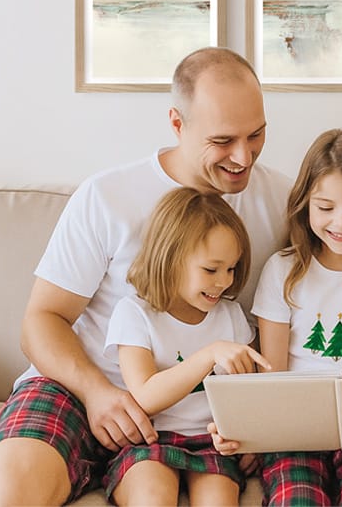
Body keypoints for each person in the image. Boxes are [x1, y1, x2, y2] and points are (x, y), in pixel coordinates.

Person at [0, 48, 292, 506]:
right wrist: (97, 393)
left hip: (198, 410)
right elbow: (41, 320)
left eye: (257, 134)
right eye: (223, 140)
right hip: (84, 385)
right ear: (177, 123)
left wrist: (258, 416)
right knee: (12, 490)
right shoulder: (108, 197)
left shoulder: (282, 200)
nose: (242, 157)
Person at [214, 128, 342, 506]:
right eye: (325, 208)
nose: (341, 223)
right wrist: (255, 431)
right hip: (295, 430)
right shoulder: (283, 270)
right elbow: (272, 372)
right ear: (305, 204)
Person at [104, 187, 269, 505]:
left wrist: (247, 437)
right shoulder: (135, 313)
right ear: (170, 258)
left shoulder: (230, 315)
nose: (224, 282)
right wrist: (209, 354)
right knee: (151, 497)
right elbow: (145, 396)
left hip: (212, 444)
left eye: (231, 269)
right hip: (151, 440)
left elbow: (250, 393)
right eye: (211, 269)